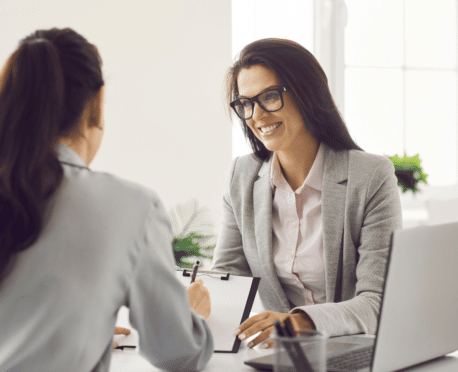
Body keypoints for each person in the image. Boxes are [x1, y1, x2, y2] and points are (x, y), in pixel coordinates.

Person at [0, 28, 213, 371]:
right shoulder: (131, 207)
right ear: (97, 104)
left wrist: (78, 328)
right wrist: (189, 315)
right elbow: (179, 354)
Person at [211, 38, 402, 349]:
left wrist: (299, 322)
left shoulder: (370, 176)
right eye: (245, 103)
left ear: (307, 94)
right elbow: (227, 280)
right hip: (286, 357)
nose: (257, 116)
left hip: (356, 353)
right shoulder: (242, 177)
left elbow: (378, 301)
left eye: (270, 96)